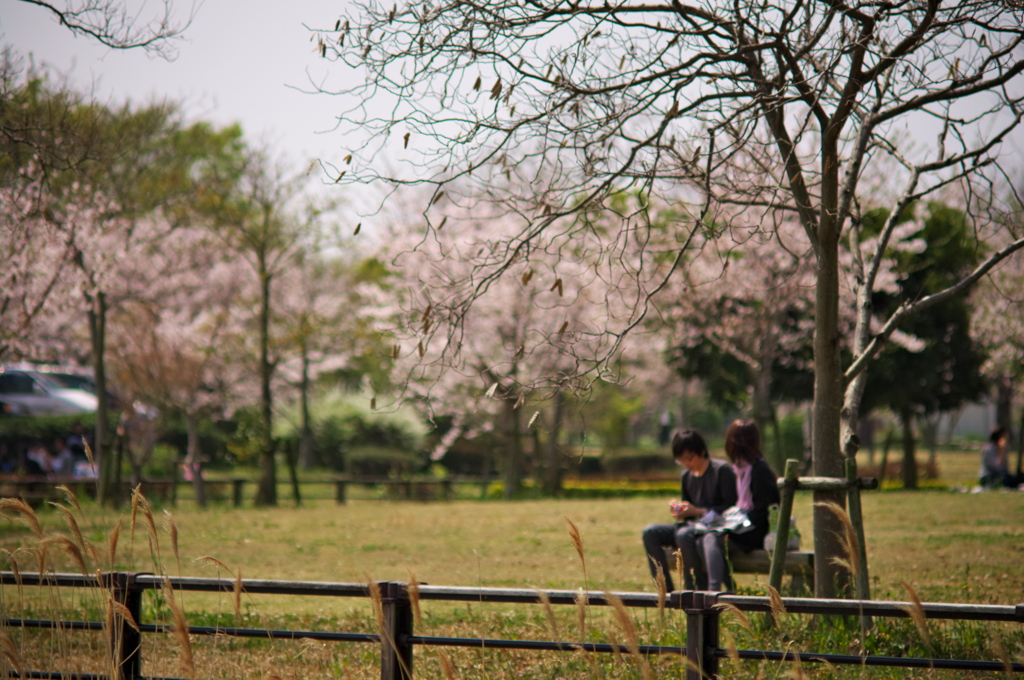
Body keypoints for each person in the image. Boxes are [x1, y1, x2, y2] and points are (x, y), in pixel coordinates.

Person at [642, 430, 738, 592]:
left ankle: (695, 589)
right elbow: (687, 512)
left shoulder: (721, 471)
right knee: (650, 533)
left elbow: (732, 508)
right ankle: (665, 591)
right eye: (681, 460)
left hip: (715, 528)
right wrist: (680, 510)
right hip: (692, 525)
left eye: (689, 458)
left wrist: (699, 511)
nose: (687, 464)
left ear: (701, 452)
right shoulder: (687, 476)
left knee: (683, 534)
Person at [723, 419, 781, 555]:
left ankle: (719, 577)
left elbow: (763, 513)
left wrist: (736, 521)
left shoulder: (759, 471)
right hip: (744, 526)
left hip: (758, 532)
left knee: (713, 537)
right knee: (706, 536)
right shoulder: (739, 470)